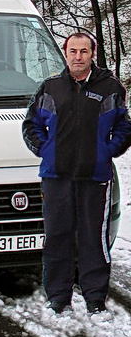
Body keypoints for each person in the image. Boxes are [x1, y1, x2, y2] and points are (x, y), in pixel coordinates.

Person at [22, 32, 131, 314]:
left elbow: (123, 125)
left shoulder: (110, 88)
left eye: (84, 51)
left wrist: (108, 150)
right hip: (56, 176)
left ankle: (95, 296)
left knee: (93, 236)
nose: (78, 57)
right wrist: (45, 149)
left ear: (92, 53)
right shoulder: (51, 87)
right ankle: (58, 296)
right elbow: (30, 124)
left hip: (94, 177)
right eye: (73, 51)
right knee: (57, 235)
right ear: (66, 53)